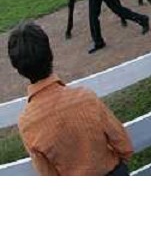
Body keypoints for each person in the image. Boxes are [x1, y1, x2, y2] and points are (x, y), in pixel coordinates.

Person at [8, 21, 133, 175]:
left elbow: (49, 174)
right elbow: (124, 145)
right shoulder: (85, 97)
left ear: (18, 69)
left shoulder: (27, 124)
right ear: (50, 54)